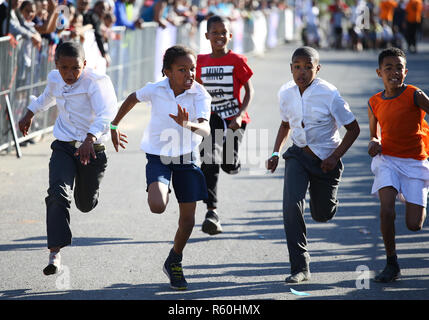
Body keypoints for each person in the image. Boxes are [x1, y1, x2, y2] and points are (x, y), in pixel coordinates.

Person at [110, 45, 211, 290]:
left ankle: (174, 259)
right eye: (182, 69)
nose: (190, 74)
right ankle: (161, 186)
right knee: (157, 206)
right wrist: (114, 126)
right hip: (158, 156)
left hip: (187, 157)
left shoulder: (199, 95)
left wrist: (186, 123)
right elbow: (134, 97)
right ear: (167, 72)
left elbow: (206, 130)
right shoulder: (156, 89)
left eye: (192, 69)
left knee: (187, 221)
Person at [18, 41, 118, 276]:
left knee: (84, 204)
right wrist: (29, 113)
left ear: (85, 64)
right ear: (57, 65)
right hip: (64, 145)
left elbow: (106, 113)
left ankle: (89, 194)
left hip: (92, 149)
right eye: (64, 68)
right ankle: (55, 253)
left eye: (75, 68)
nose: (70, 74)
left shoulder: (96, 82)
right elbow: (46, 97)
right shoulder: (56, 78)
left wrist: (90, 139)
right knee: (57, 192)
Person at [266, 46, 360, 283]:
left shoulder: (329, 94)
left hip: (326, 161)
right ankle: (300, 266)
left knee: (322, 214)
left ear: (317, 69)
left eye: (308, 67)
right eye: (297, 67)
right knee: (291, 207)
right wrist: (276, 153)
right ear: (291, 68)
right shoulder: (285, 93)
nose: (302, 72)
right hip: (297, 156)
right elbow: (285, 125)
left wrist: (334, 157)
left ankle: (327, 201)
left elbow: (353, 129)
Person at [367, 47, 429, 282]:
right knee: (386, 210)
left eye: (399, 68)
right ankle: (391, 263)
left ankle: (412, 195)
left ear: (406, 71)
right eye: (388, 68)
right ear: (379, 72)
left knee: (414, 225)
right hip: (388, 160)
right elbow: (374, 135)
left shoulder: (414, 94)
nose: (394, 72)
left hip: (415, 162)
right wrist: (374, 143)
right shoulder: (374, 102)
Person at [196, 15, 254, 235]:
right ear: (207, 35)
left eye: (223, 33)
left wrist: (240, 115)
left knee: (228, 164)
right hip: (210, 118)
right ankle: (212, 212)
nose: (219, 36)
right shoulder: (200, 61)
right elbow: (196, 90)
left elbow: (249, 90)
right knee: (209, 160)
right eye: (215, 32)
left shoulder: (237, 60)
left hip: (233, 119)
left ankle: (233, 164)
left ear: (230, 36)